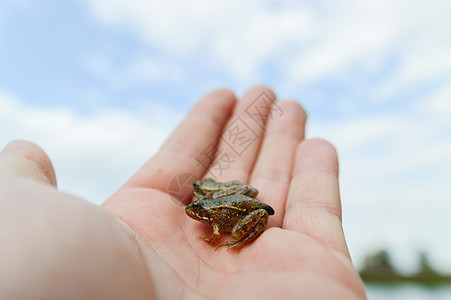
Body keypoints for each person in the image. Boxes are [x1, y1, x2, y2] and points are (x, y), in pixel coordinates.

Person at [0, 86, 366, 299]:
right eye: (198, 208)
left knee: (238, 229)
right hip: (242, 199)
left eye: (199, 210)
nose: (195, 213)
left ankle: (240, 239)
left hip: (246, 211)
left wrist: (222, 237)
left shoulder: (216, 218)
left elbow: (227, 221)